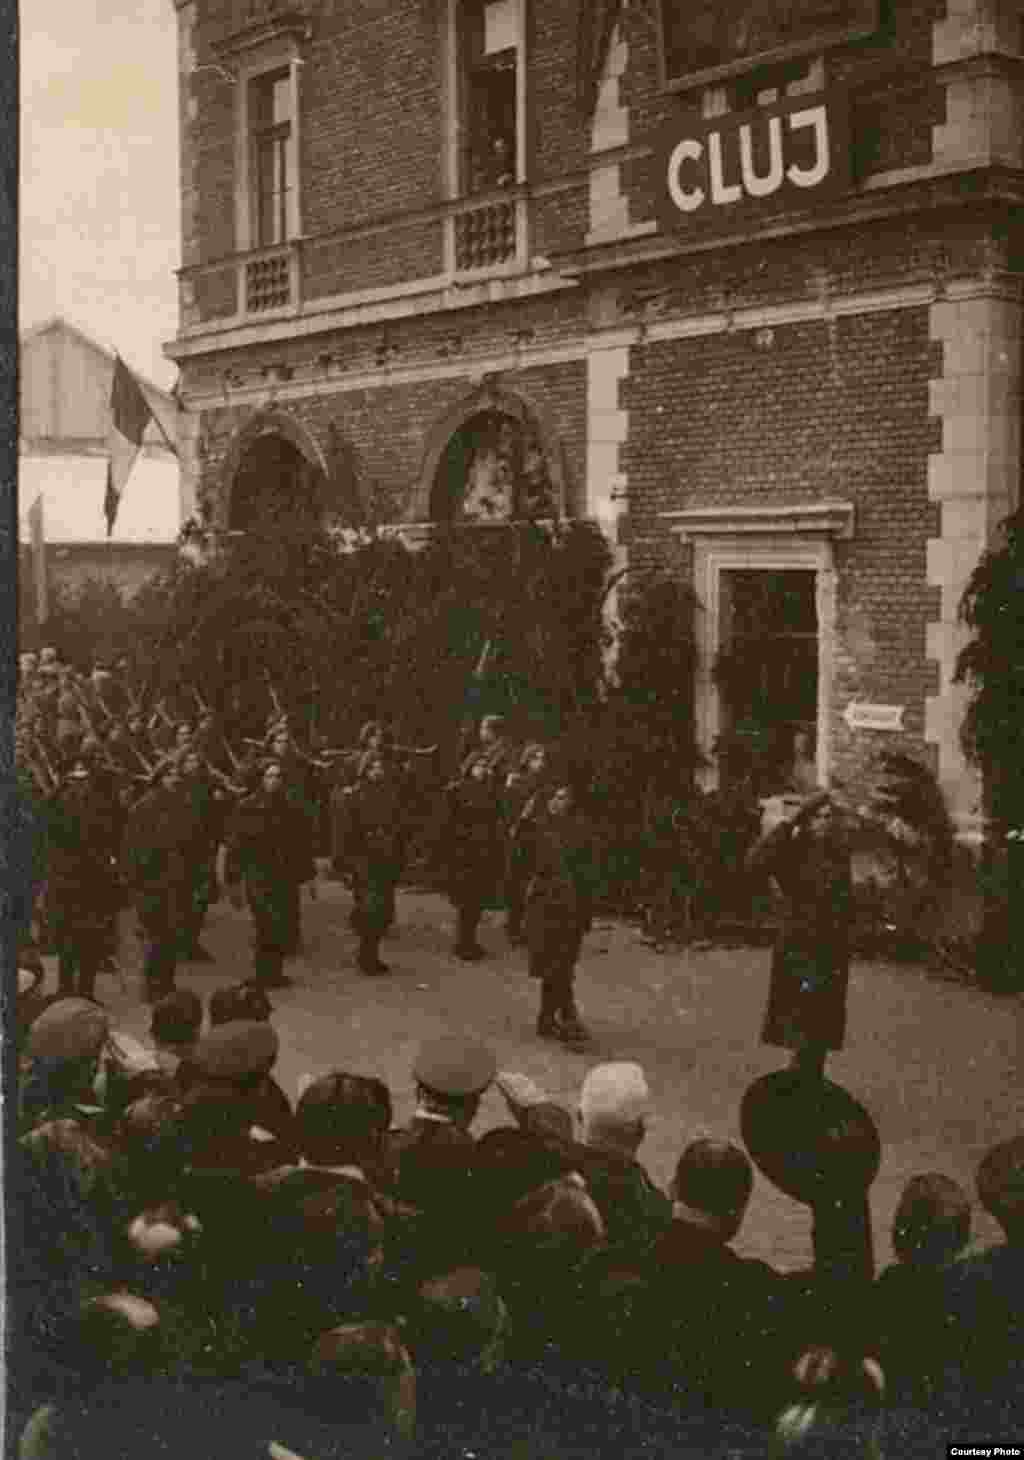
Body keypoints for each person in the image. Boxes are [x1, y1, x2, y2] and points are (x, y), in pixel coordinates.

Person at [746, 789, 855, 1080]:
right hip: (800, 950)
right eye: (817, 817)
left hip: (830, 954)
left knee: (818, 1032)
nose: (824, 822)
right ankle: (799, 1086)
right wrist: (789, 822)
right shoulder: (793, 851)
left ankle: (808, 1081)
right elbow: (755, 862)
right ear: (806, 822)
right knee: (802, 1026)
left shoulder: (839, 853)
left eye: (829, 817)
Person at [223, 758, 317, 989]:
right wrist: (233, 880)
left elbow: (301, 846)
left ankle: (274, 972)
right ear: (261, 779)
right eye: (269, 776)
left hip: (285, 875)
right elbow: (236, 846)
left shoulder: (291, 807)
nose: (274, 781)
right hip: (258, 874)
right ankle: (263, 973)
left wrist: (308, 877)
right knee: (265, 923)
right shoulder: (247, 807)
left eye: (278, 776)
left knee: (282, 923)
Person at [520, 781, 595, 1044]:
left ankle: (549, 1018)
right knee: (556, 965)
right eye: (557, 796)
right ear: (548, 799)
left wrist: (585, 912)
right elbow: (522, 860)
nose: (561, 802)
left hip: (571, 908)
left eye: (566, 797)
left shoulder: (576, 829)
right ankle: (566, 1016)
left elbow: (585, 871)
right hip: (545, 907)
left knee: (562, 965)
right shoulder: (536, 828)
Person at [44, 758, 120, 1003]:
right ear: (67, 779)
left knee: (91, 939)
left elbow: (111, 837)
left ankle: (87, 991)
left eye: (84, 778)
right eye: (75, 778)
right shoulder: (55, 804)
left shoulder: (102, 804)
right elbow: (49, 841)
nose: (80, 783)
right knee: (66, 937)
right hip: (66, 881)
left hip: (93, 881)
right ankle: (65, 989)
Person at [122, 760, 192, 1003]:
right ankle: (153, 986)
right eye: (170, 774)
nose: (175, 778)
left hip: (173, 880)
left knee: (170, 935)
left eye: (177, 774)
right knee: (156, 935)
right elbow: (132, 847)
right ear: (160, 777)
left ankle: (166, 983)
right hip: (151, 881)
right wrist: (137, 881)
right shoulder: (145, 807)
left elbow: (186, 842)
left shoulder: (179, 804)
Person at [335, 749, 408, 975]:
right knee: (372, 908)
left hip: (385, 858)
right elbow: (345, 833)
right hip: (363, 859)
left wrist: (398, 854)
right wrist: (344, 864)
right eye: (372, 768)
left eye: (379, 767)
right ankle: (367, 956)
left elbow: (398, 827)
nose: (377, 771)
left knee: (384, 910)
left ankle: (371, 952)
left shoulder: (390, 795)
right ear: (364, 771)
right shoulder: (354, 797)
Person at [442, 754, 505, 961]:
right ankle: (463, 942)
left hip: (484, 851)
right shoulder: (456, 790)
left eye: (486, 765)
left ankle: (470, 939)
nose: (482, 769)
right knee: (466, 901)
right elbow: (447, 823)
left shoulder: (491, 791)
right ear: (469, 767)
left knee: (477, 900)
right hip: (464, 852)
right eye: (479, 765)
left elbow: (496, 818)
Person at [502, 742, 552, 943]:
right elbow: (508, 809)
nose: (541, 762)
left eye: (543, 758)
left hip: (536, 836)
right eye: (537, 758)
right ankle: (513, 927)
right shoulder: (516, 780)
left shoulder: (543, 783)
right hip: (518, 835)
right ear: (528, 760)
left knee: (532, 883)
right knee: (517, 882)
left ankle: (525, 925)